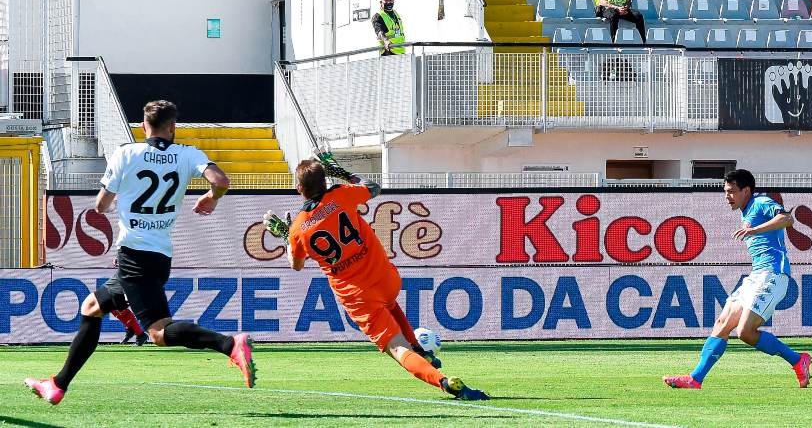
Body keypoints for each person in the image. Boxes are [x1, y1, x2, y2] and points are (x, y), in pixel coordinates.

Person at [25, 100, 256, 405]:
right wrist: (212, 197)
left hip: (135, 255)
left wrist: (119, 197)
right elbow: (221, 181)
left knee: (158, 333)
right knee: (92, 306)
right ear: (172, 128)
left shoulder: (126, 153)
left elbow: (100, 205)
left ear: (144, 126)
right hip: (158, 255)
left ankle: (229, 344)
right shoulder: (188, 154)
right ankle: (57, 384)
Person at [263, 153, 488, 401]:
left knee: (397, 348)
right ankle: (421, 352)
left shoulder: (297, 229)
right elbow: (373, 188)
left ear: (299, 189)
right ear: (325, 182)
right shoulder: (340, 195)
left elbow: (296, 264)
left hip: (358, 296)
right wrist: (343, 173)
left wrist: (286, 238)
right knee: (390, 305)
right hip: (385, 278)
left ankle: (444, 382)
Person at [663, 169, 812, 390]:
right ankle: (695, 379)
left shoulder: (761, 202)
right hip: (756, 276)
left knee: (745, 332)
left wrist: (755, 230)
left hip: (773, 274)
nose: (727, 196)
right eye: (725, 192)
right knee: (723, 323)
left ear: (746, 190)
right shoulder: (745, 210)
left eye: (731, 192)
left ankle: (797, 360)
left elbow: (787, 219)